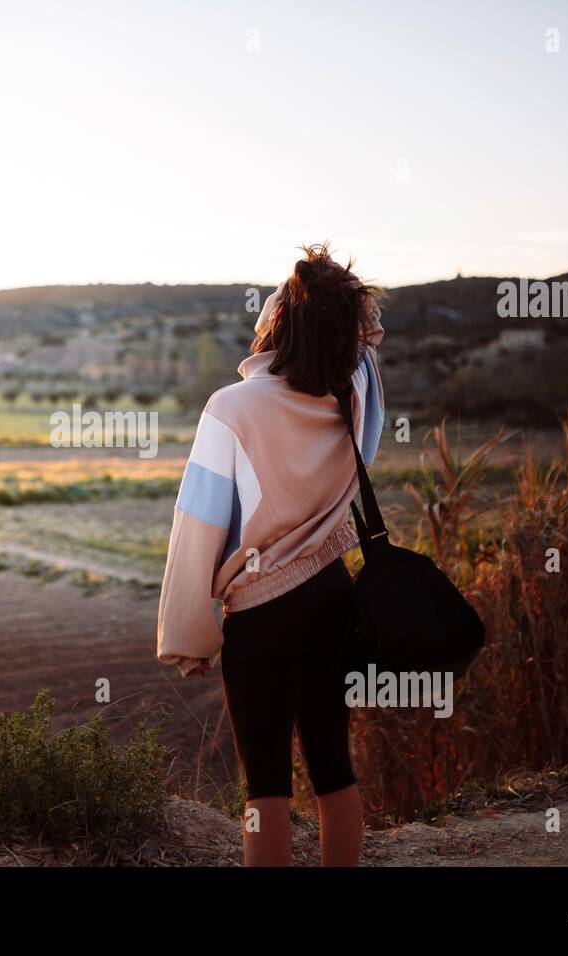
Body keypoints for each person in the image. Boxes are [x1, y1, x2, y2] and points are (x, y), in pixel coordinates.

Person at [156, 243, 385, 866]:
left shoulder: (232, 408)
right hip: (334, 597)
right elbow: (366, 342)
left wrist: (191, 635)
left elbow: (196, 526)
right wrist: (330, 305)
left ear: (279, 323)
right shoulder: (356, 397)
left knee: (266, 788)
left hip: (263, 614)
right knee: (335, 770)